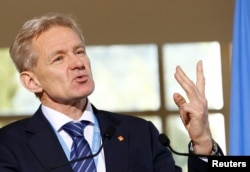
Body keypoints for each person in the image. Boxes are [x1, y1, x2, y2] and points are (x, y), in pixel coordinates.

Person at [0, 12, 223, 172]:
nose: (78, 62)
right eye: (59, 58)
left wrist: (202, 141)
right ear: (32, 82)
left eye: (79, 51)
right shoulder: (8, 146)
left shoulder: (139, 133)